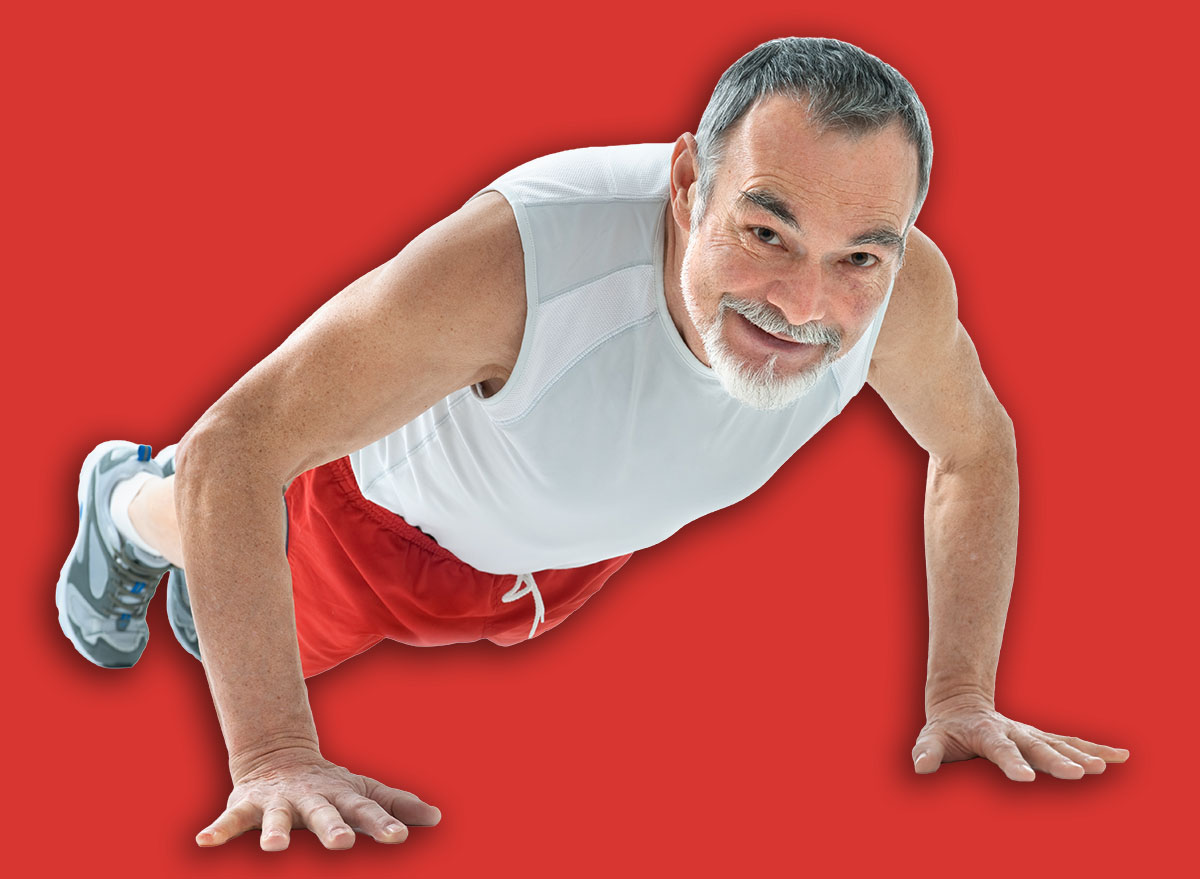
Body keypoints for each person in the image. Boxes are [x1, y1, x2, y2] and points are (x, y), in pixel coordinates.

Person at [56, 37, 1129, 852]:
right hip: (365, 522)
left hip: (566, 548)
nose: (805, 303)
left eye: (859, 255)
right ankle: (122, 508)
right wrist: (273, 754)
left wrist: (959, 695)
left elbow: (976, 451)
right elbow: (236, 450)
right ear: (684, 185)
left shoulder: (903, 295)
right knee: (210, 563)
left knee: (234, 610)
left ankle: (198, 561)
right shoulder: (520, 261)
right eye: (765, 234)